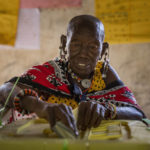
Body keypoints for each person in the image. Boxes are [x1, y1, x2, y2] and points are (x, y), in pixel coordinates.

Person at [0, 15, 146, 136]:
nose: (83, 54)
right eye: (76, 44)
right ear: (64, 43)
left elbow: (136, 111)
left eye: (93, 47)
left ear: (103, 50)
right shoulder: (50, 72)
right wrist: (40, 106)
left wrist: (106, 109)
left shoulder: (104, 74)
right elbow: (6, 89)